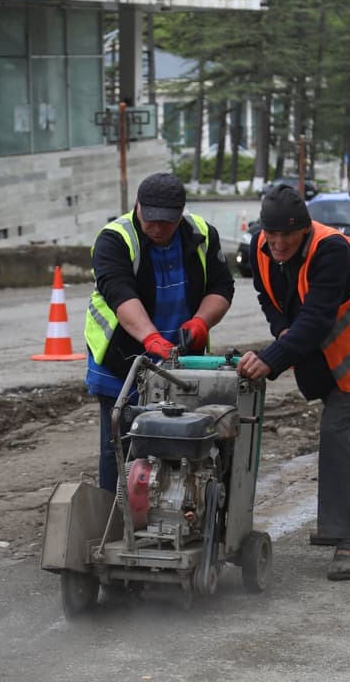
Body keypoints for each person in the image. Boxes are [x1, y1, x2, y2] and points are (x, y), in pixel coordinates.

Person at [235, 183, 350, 581]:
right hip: (316, 355)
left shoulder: (331, 250)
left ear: (304, 229)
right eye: (272, 234)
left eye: (288, 234)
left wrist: (271, 359)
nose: (279, 243)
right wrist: (282, 332)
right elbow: (268, 297)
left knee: (336, 432)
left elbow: (317, 319)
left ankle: (345, 540)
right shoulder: (259, 246)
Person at [84, 172, 234, 494]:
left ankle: (175, 515)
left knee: (180, 445)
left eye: (165, 223)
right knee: (121, 445)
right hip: (122, 362)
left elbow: (222, 286)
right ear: (138, 205)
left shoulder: (202, 234)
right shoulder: (115, 239)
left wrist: (200, 322)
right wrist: (150, 338)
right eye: (149, 219)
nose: (155, 228)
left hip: (181, 364)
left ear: (180, 214)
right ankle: (117, 520)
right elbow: (120, 293)